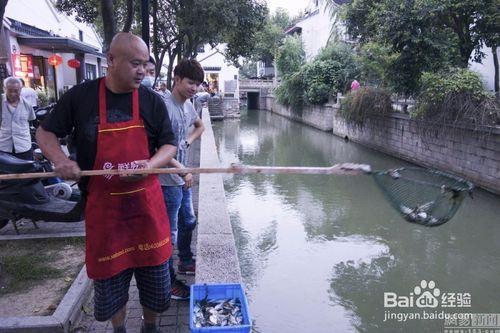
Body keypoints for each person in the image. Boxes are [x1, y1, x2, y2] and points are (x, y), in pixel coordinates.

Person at [36, 32, 177, 333]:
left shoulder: (152, 101)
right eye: (135, 64)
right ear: (111, 61)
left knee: (155, 283)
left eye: (145, 65)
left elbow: (169, 145)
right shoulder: (80, 97)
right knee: (112, 286)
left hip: (146, 213)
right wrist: (60, 160)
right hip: (106, 215)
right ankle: (120, 328)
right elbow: (45, 134)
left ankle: (149, 327)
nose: (142, 71)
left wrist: (150, 165)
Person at [160, 59, 205, 300]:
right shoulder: (164, 107)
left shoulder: (187, 105)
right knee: (168, 234)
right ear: (177, 79)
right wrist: (182, 171)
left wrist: (187, 142)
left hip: (181, 176)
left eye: (197, 84)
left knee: (189, 221)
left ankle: (185, 261)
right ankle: (168, 284)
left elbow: (200, 126)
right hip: (166, 181)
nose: (194, 88)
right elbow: (157, 150)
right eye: (190, 83)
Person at [0, 77, 36, 160]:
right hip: (3, 147)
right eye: (10, 90)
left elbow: (31, 119)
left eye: (16, 90)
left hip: (23, 147)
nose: (13, 94)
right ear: (4, 89)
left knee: (27, 171)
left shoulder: (27, 105)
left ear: (20, 89)